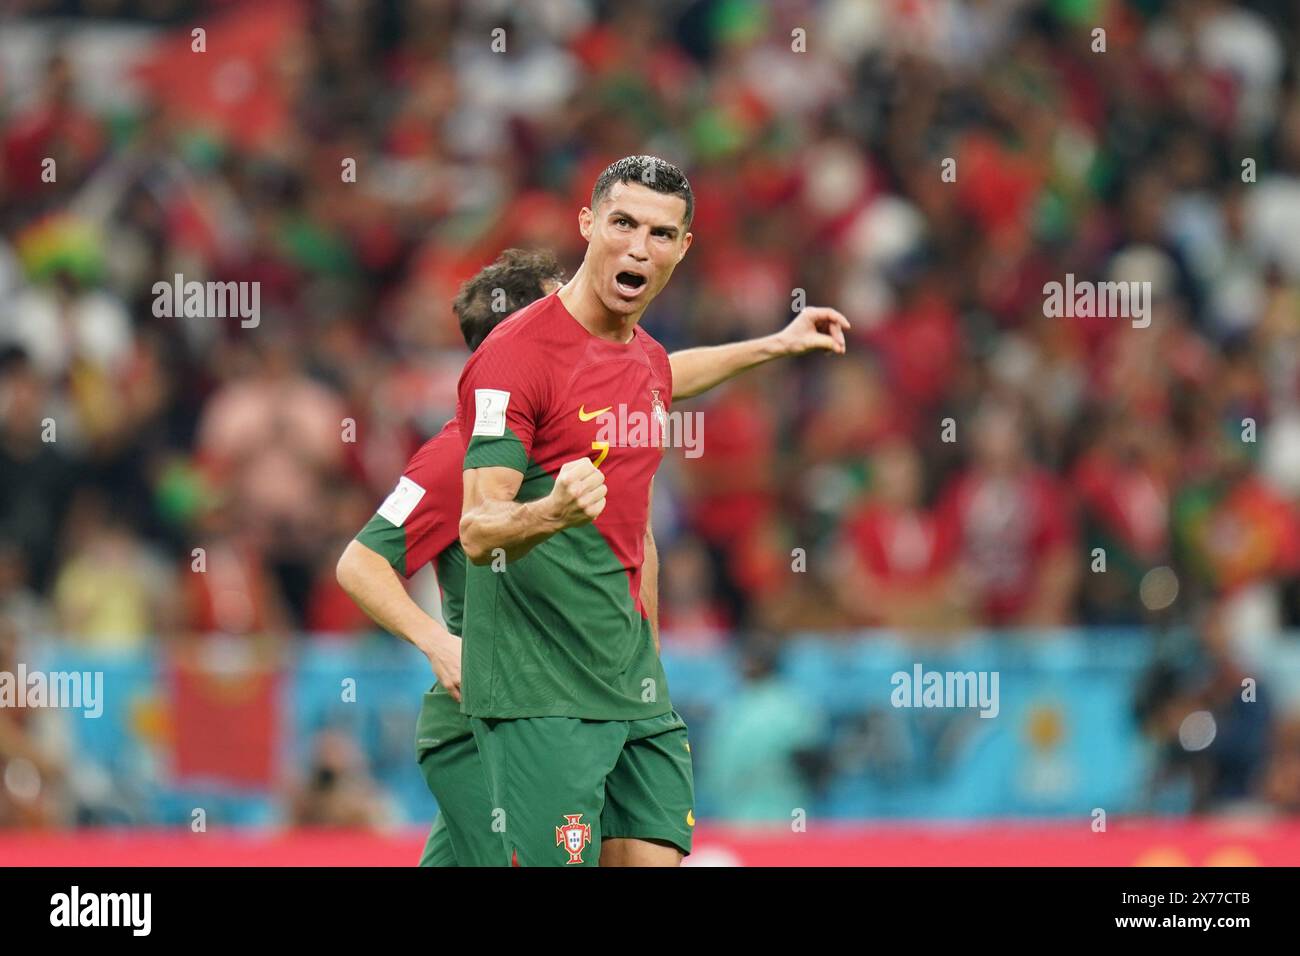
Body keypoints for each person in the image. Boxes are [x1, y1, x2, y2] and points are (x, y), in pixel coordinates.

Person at [338, 239, 848, 865]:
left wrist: (775, 344)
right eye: (564, 316)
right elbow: (361, 561)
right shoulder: (457, 454)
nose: (588, 328)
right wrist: (438, 643)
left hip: (582, 694)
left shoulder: (586, 409)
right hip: (491, 719)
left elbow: (665, 375)